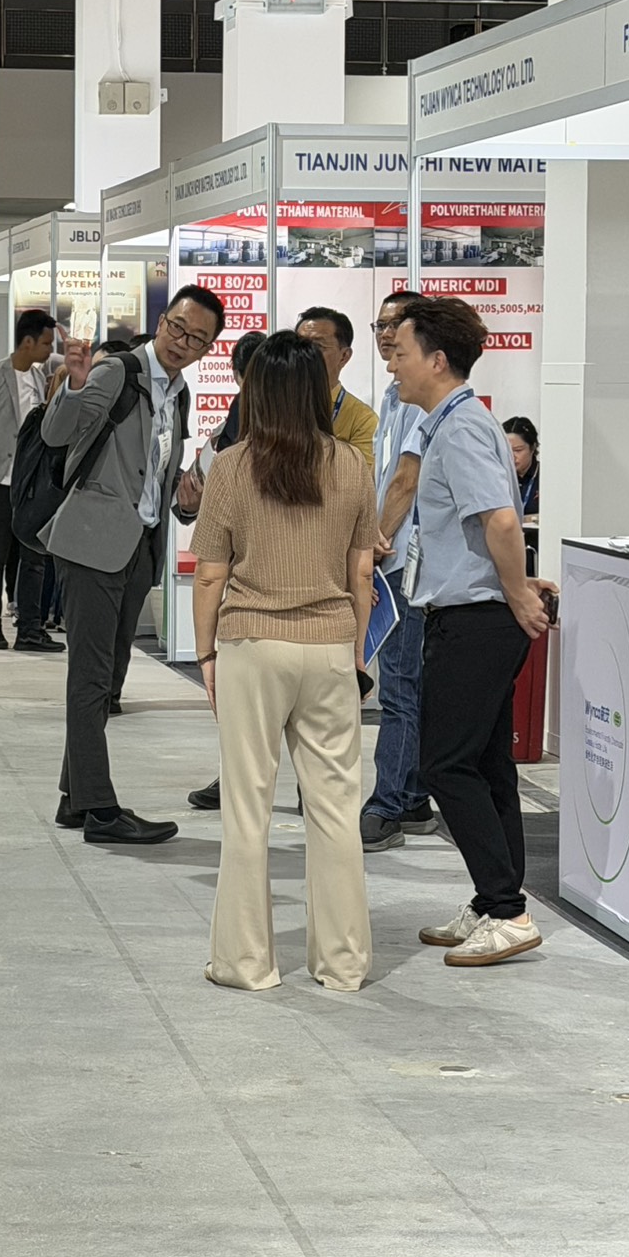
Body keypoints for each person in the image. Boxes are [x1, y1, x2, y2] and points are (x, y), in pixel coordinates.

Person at [191, 331, 378, 992]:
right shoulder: (352, 464)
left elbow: (210, 574)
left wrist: (206, 654)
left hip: (251, 644)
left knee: (247, 808)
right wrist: (355, 648)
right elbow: (363, 570)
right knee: (336, 808)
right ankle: (344, 963)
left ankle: (245, 962)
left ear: (257, 392)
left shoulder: (231, 467)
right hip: (330, 645)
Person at [389, 297, 556, 967]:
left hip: (477, 619)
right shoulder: (453, 422)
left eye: (401, 351)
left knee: (444, 764)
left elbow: (501, 520)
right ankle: (496, 901)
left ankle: (507, 910)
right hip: (475, 614)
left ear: (436, 360)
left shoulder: (459, 427)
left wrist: (517, 592)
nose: (393, 363)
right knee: (486, 766)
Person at [43, 285, 224, 845]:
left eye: (197, 339)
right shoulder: (118, 371)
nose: (182, 342)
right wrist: (74, 384)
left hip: (139, 549)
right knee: (92, 677)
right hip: (92, 544)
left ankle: (74, 798)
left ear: (207, 349)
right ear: (162, 321)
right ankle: (100, 810)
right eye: (177, 327)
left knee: (107, 676)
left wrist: (186, 502)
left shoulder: (180, 394)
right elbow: (56, 433)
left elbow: (158, 478)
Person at [360, 292, 438, 852]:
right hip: (393, 559)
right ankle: (411, 798)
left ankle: (388, 803)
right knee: (404, 683)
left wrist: (377, 542)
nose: (386, 335)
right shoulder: (392, 396)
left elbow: (405, 481)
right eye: (380, 325)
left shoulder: (422, 400)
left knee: (400, 688)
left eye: (396, 326)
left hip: (405, 563)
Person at [186, 327, 267, 812]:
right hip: (316, 614)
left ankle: (236, 778)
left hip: (247, 597)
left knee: (242, 701)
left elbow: (209, 569)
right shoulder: (329, 445)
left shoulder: (233, 441)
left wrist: (204, 652)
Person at [0, 309, 64, 653]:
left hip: (30, 484)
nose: (49, 351)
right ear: (28, 341)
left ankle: (30, 628)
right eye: (46, 343)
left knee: (33, 557)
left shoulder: (37, 378)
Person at [296, 307, 378, 467]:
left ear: (344, 356)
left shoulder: (362, 420)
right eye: (299, 346)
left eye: (317, 346)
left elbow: (361, 477)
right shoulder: (277, 404)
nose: (305, 354)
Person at [502, 416, 540, 519]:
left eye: (517, 450)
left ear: (533, 447)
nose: (511, 456)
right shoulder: (498, 476)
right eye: (506, 450)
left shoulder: (545, 477)